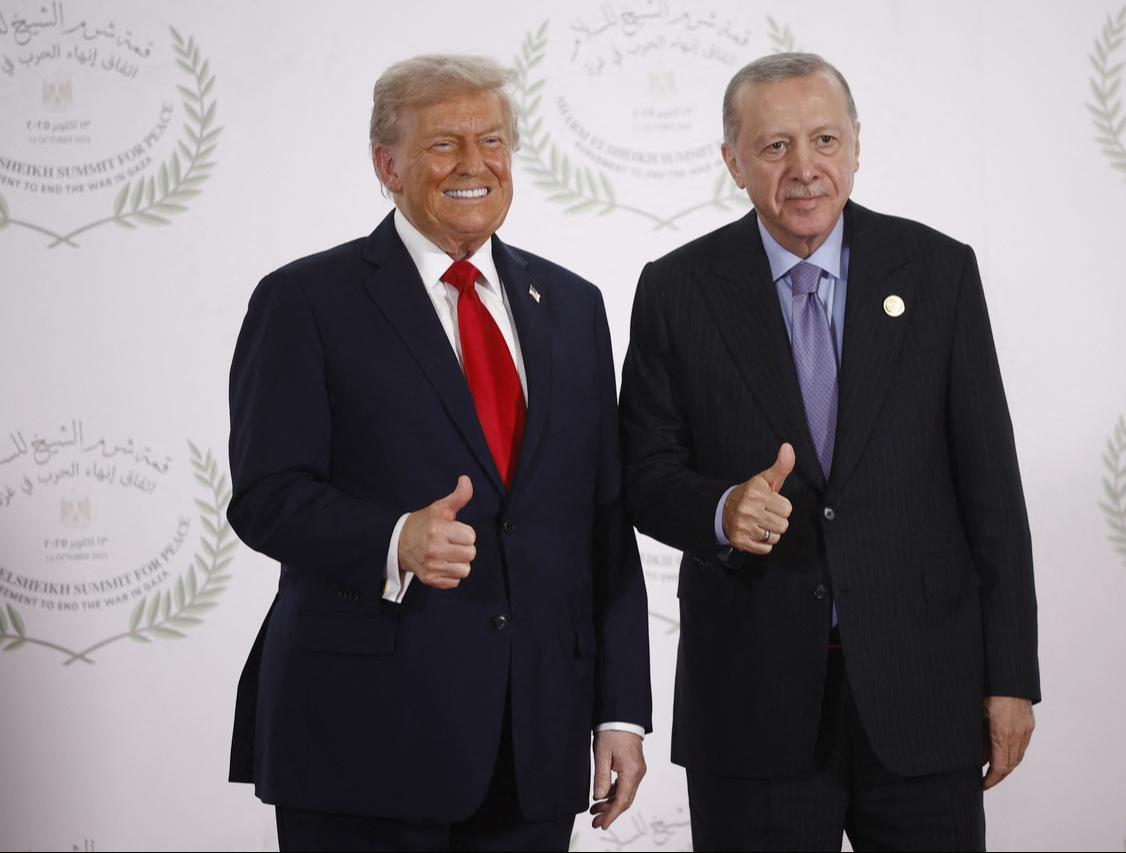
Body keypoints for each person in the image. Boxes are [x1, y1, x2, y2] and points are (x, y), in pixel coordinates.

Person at [226, 54, 651, 852]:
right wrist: (394, 539)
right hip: (364, 738)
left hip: (533, 741)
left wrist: (619, 711)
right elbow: (265, 494)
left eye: (491, 141)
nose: (474, 165)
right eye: (443, 145)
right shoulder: (304, 300)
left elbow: (602, 520)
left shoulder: (571, 305)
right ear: (386, 165)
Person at [619, 52, 1039, 851]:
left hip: (924, 694)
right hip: (753, 700)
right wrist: (719, 508)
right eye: (775, 147)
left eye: (824, 140)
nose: (805, 169)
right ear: (732, 161)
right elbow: (641, 473)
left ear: (855, 145)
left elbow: (991, 490)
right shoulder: (677, 289)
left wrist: (1011, 678)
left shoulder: (940, 272)